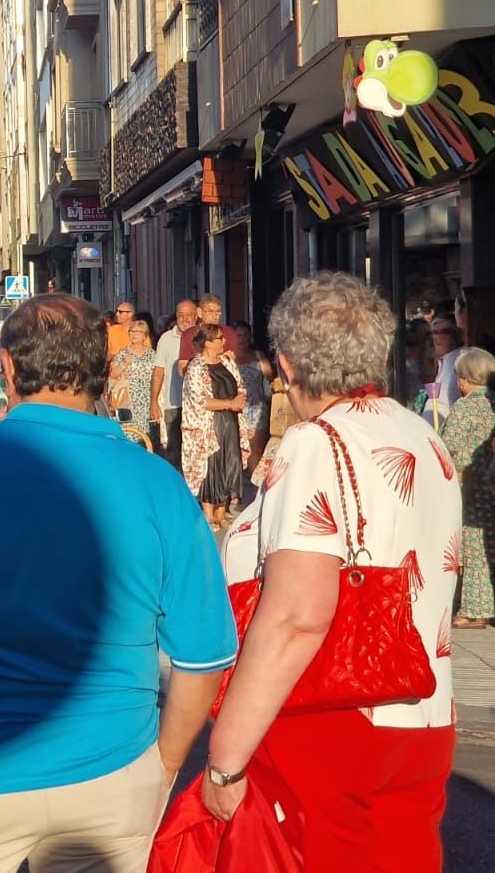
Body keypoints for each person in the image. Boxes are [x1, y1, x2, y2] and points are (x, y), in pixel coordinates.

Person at [0, 293, 235, 873]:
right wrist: (162, 767)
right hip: (110, 767)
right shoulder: (158, 483)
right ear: (106, 368)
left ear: (8, 367)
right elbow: (203, 655)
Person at [208, 272, 458, 870]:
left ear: (288, 364)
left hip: (331, 714)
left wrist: (226, 755)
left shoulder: (317, 442)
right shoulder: (420, 434)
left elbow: (296, 615)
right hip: (423, 707)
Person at [443, 346, 495, 628]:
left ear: (464, 379)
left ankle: (475, 610)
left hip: (470, 483)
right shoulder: (492, 402)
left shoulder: (467, 406)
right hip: (491, 480)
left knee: (474, 547)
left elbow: (449, 444)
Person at [181, 324, 248, 527]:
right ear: (209, 343)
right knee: (210, 465)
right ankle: (208, 513)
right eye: (220, 338)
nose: (224, 341)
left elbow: (240, 385)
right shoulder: (196, 367)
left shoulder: (228, 363)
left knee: (229, 462)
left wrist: (240, 399)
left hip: (230, 421)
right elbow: (199, 400)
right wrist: (229, 404)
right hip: (208, 424)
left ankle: (221, 510)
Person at [151, 300, 198, 466]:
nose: (185, 319)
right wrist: (154, 402)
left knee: (195, 450)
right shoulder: (166, 338)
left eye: (189, 315)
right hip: (173, 403)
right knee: (173, 450)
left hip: (198, 405)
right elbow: (158, 372)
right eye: (181, 315)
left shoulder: (202, 336)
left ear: (196, 315)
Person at [233, 320, 275, 482]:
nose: (242, 339)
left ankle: (256, 487)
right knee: (236, 450)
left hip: (257, 408)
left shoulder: (258, 356)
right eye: (238, 336)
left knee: (256, 450)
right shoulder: (228, 356)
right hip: (236, 408)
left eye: (245, 335)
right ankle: (235, 490)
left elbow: (269, 379)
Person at [110, 318, 155, 444]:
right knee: (130, 435)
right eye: (131, 331)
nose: (134, 334)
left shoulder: (152, 354)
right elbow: (113, 374)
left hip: (147, 400)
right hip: (129, 400)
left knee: (146, 437)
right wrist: (124, 363)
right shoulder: (122, 353)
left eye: (138, 332)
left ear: (145, 335)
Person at [176, 293, 239, 374]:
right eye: (210, 312)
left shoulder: (229, 333)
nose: (214, 316)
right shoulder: (188, 335)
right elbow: (182, 369)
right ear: (199, 312)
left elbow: (234, 362)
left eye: (218, 312)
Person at [424, 318, 464, 428]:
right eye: (434, 332)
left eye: (444, 332)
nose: (437, 338)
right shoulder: (442, 363)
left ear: (456, 336)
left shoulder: (460, 362)